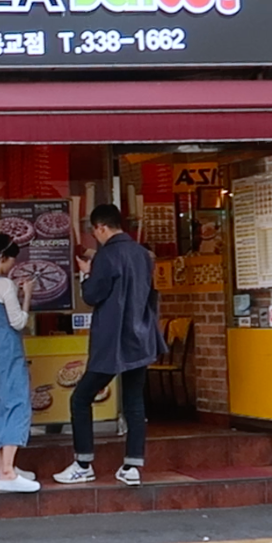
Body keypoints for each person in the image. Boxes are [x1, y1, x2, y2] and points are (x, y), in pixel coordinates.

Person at [54, 204, 163, 487]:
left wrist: (86, 274)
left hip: (113, 340)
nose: (96, 236)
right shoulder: (142, 254)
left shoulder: (107, 255)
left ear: (101, 227)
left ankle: (83, 463)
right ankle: (132, 466)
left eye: (95, 231)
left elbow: (92, 295)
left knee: (80, 398)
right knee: (134, 401)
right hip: (140, 337)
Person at [0, 233, 40, 493]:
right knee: (16, 402)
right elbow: (18, 322)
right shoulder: (4, 284)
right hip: (9, 347)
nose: (13, 264)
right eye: (12, 259)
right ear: (1, 257)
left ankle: (1, 466)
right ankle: (9, 473)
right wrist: (27, 295)